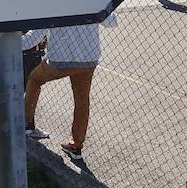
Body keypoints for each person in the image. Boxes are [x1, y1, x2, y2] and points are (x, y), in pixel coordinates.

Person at [22, 15, 117, 162]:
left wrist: (12, 42)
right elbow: (112, 22)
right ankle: (76, 146)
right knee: (82, 101)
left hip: (60, 60)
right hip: (88, 59)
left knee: (34, 80)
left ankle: (26, 124)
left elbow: (35, 36)